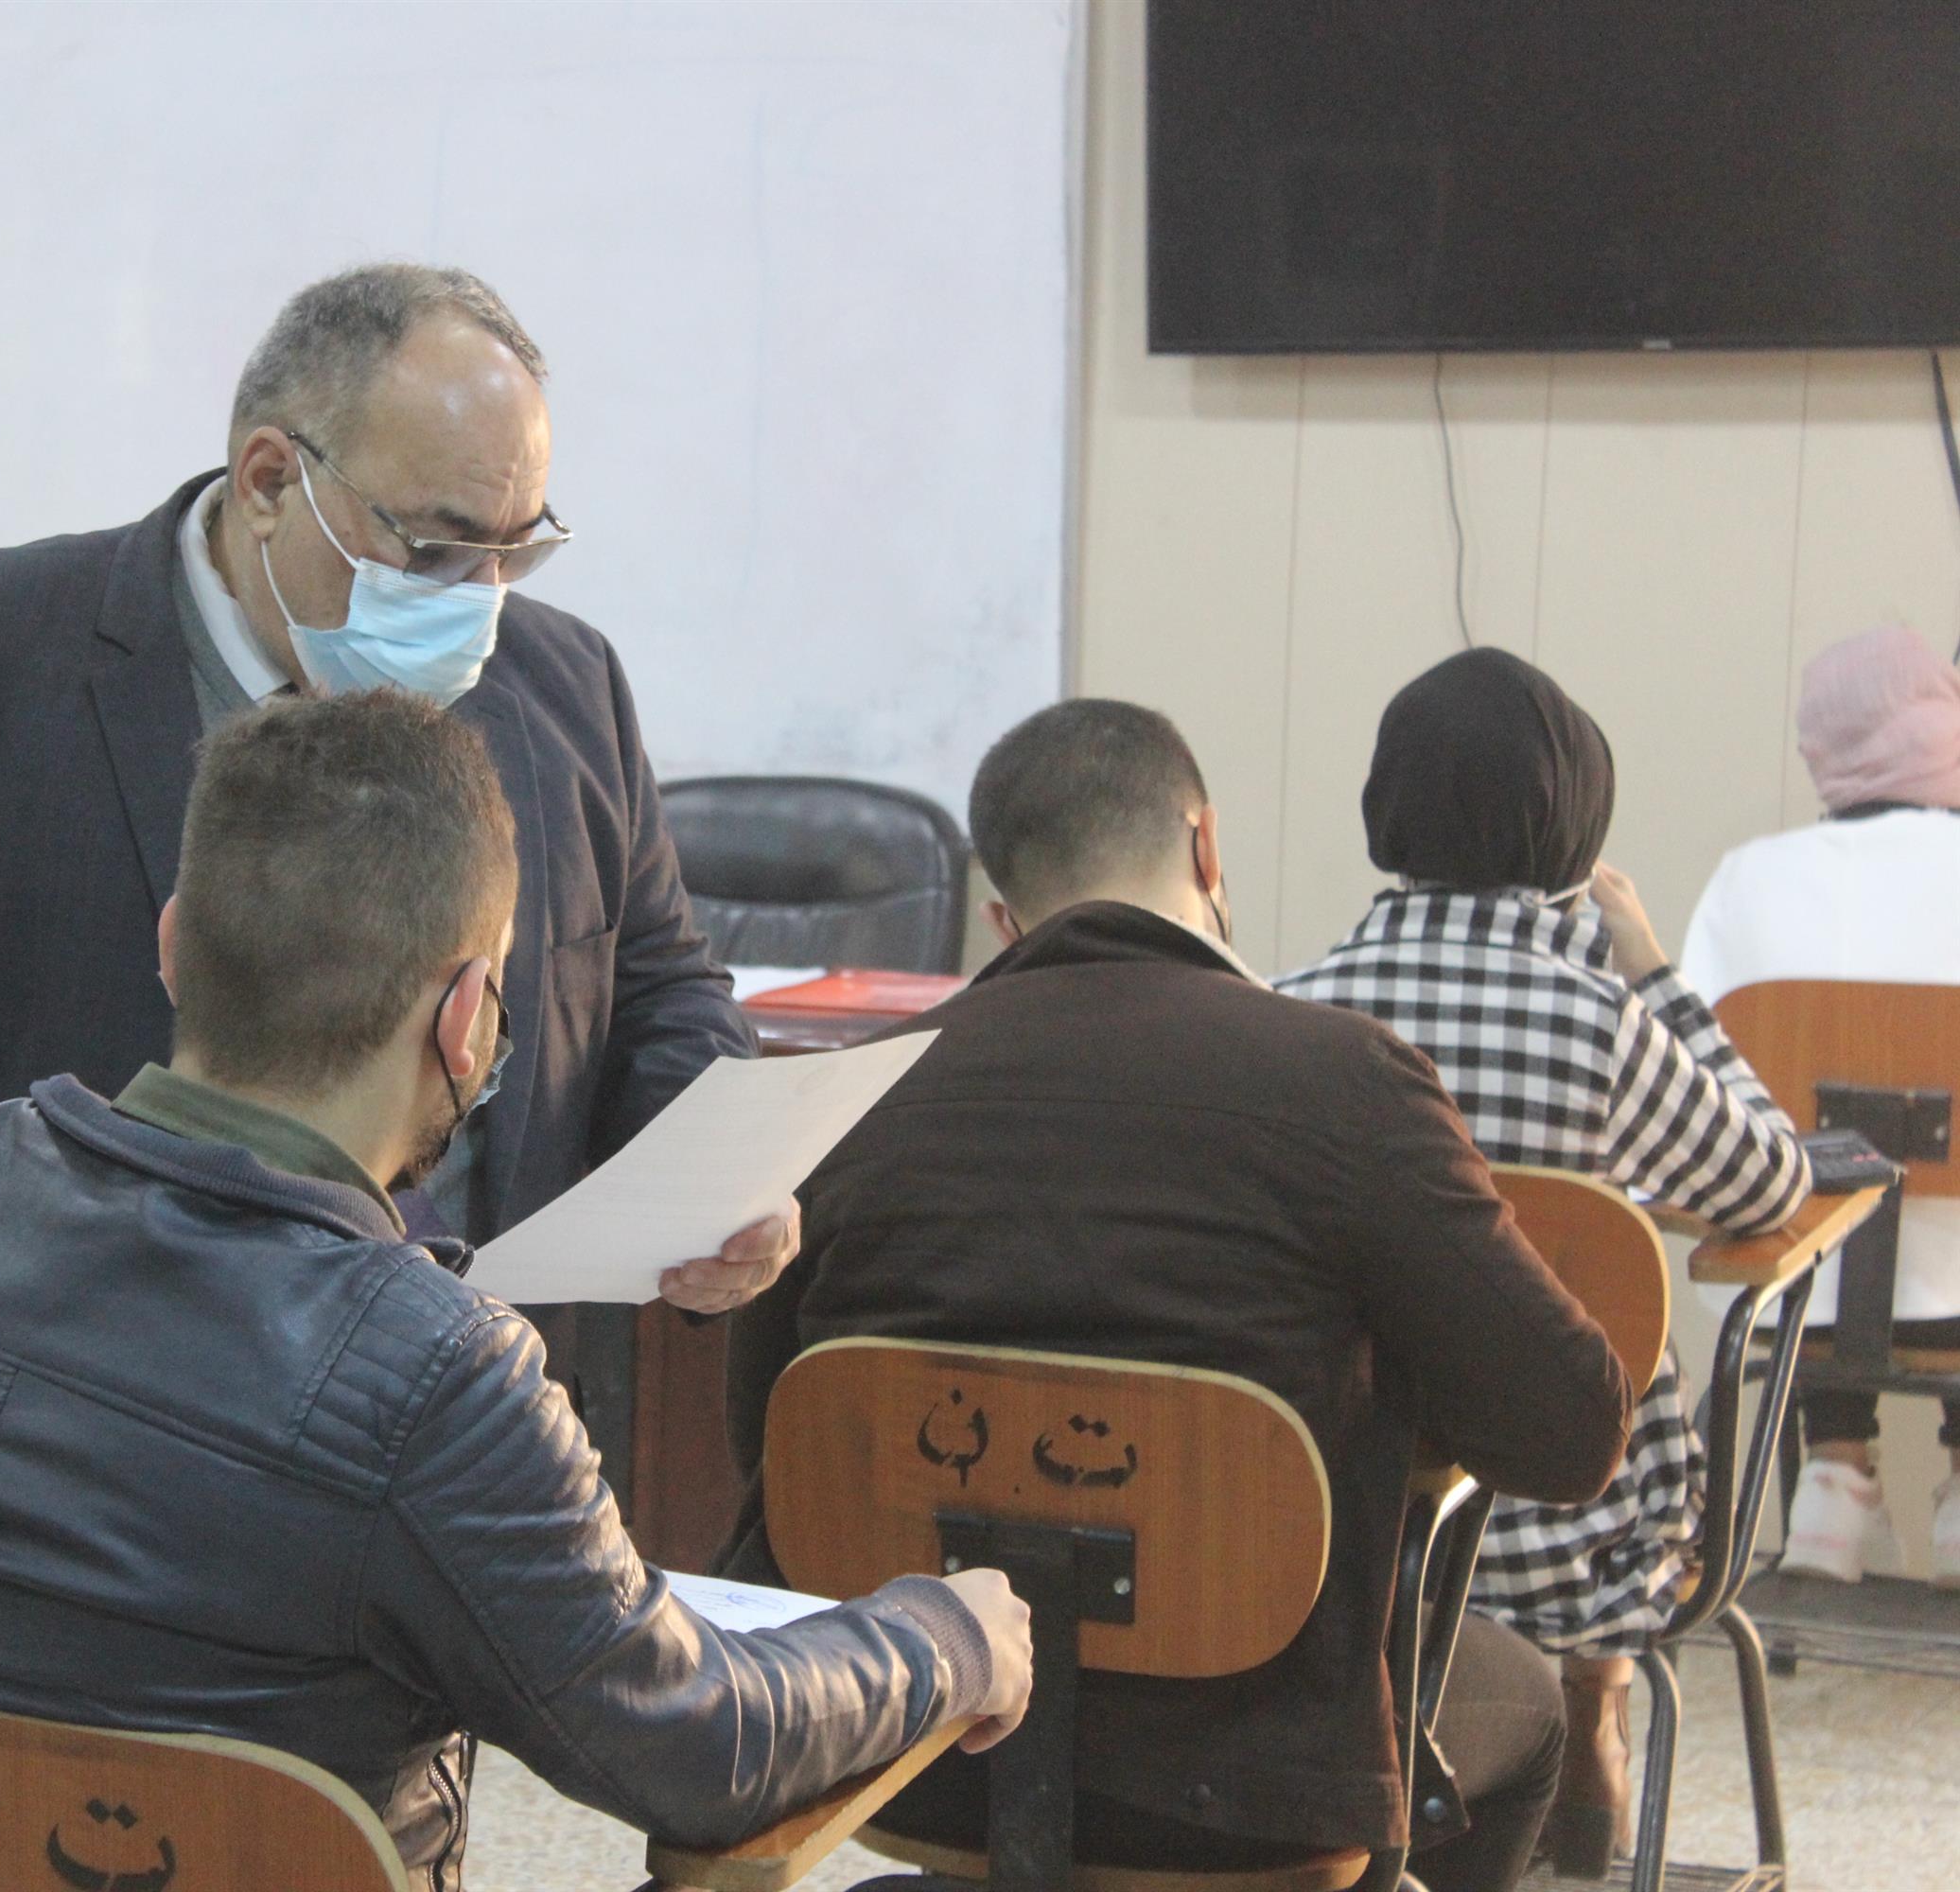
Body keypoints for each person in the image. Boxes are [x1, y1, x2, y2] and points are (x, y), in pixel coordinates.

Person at [0, 691, 1035, 1892]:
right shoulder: (432, 1370)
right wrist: (944, 1634)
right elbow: (700, 1744)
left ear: (173, 945)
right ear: (469, 1018)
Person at [0, 265, 797, 1564]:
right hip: (45, 1466)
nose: (476, 596)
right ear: (269, 479)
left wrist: (718, 1182)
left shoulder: (565, 687)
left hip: (448, 1458)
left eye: (515, 548)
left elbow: (654, 981)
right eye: (433, 548)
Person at [721, 700, 1631, 1892]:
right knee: (1531, 1709)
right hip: (1255, 1789)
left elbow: (769, 1435)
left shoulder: (850, 1091)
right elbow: (1571, 1432)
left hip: (916, 1748)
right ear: (1207, 845)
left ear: (1001, 916)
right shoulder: (1347, 1082)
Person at [1279, 647, 1811, 1876]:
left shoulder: (1297, 1011)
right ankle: (1594, 1695)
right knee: (1580, 1355)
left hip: (1354, 1529)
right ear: (1579, 836)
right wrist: (1655, 972)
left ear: (1381, 811)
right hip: (1574, 1531)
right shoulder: (1600, 1022)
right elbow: (1770, 1181)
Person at [1682, 623, 1960, 1586]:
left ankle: (1833, 1478)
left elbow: (1699, 1087)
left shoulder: (1748, 879)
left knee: (1811, 1206)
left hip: (1787, 1294)